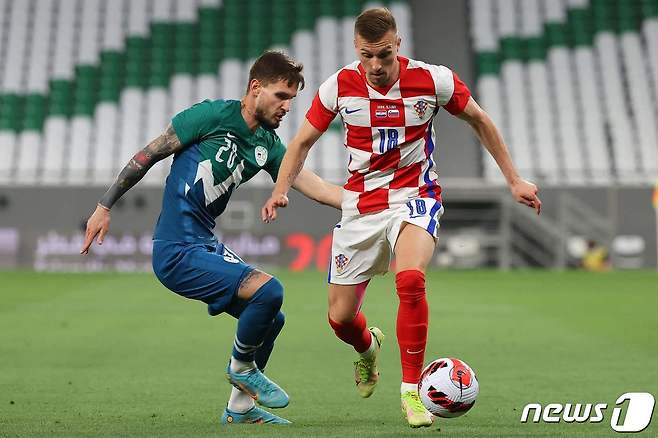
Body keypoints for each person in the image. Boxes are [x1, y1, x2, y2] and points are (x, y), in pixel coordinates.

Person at [262, 8, 541, 428]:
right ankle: (367, 350)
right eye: (367, 55)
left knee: (409, 279)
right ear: (357, 49)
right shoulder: (338, 87)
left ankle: (411, 392)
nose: (375, 65)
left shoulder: (433, 80)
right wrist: (281, 189)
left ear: (399, 45)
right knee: (339, 319)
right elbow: (301, 142)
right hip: (361, 206)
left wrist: (514, 179)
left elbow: (480, 121)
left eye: (385, 54)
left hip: (416, 196)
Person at [80, 51, 342, 425]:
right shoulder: (210, 116)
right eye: (281, 96)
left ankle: (240, 408)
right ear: (256, 88)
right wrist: (105, 206)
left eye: (291, 100)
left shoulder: (267, 144)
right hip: (175, 250)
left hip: (203, 244)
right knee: (270, 291)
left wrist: (367, 203)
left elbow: (312, 184)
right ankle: (241, 368)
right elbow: (148, 154)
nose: (286, 107)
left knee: (271, 317)